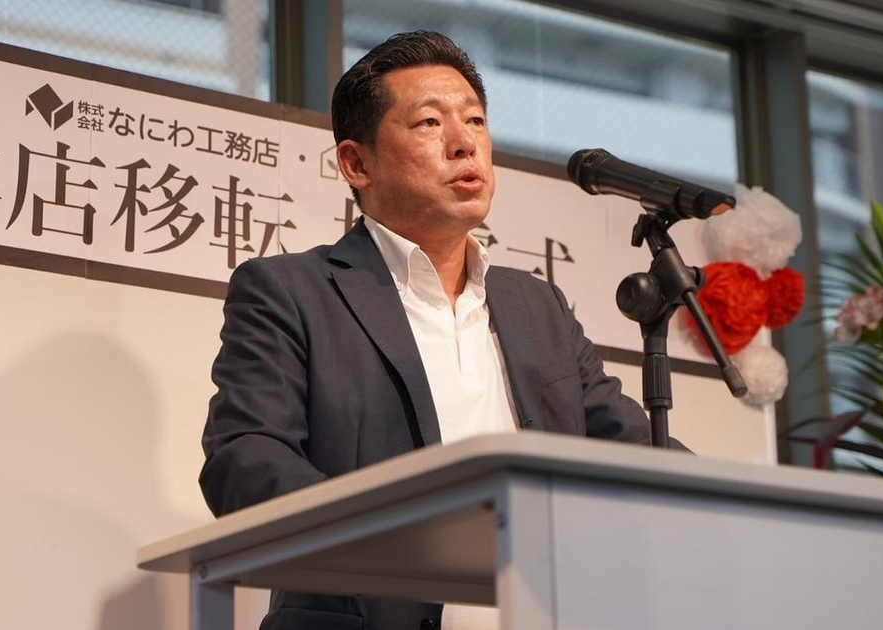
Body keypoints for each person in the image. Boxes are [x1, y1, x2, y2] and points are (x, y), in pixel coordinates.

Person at [200, 30, 667, 630]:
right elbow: (244, 458)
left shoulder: (538, 306)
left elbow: (635, 450)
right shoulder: (290, 291)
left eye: (475, 121)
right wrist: (403, 539)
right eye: (429, 122)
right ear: (356, 164)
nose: (464, 143)